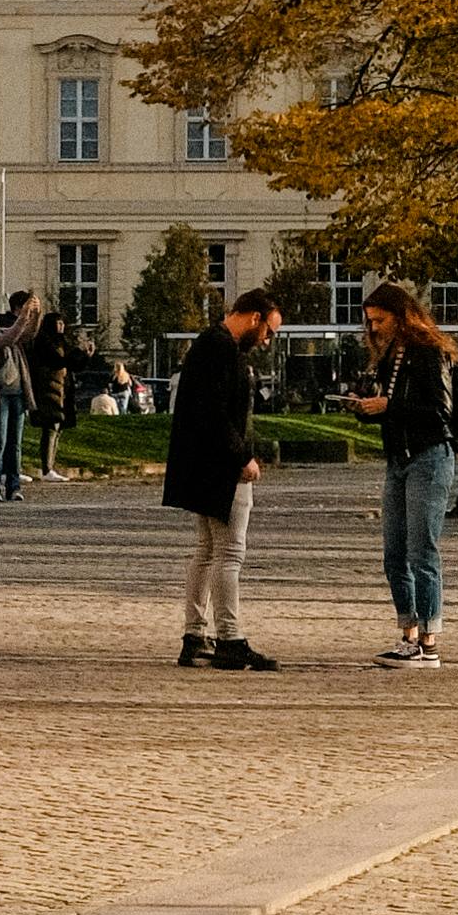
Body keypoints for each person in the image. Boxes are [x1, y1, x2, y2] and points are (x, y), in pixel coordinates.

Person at [349, 282, 458, 665]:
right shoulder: (390, 357)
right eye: (370, 321)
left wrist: (389, 406)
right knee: (393, 554)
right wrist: (368, 409)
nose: (374, 328)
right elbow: (396, 409)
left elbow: (439, 412)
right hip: (399, 459)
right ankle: (408, 634)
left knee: (421, 551)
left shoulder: (429, 354)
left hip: (429, 458)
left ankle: (429, 640)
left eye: (380, 320)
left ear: (401, 317)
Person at [163, 282, 284, 668]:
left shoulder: (208, 344)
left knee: (206, 551)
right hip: (220, 466)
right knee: (229, 552)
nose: (266, 341)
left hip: (201, 463)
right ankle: (229, 637)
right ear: (254, 318)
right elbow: (216, 414)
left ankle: (195, 633)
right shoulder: (222, 350)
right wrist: (242, 457)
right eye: (269, 331)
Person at [0, 289, 35, 501]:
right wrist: (25, 315)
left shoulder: (7, 332)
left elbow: (28, 333)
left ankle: (14, 486)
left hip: (18, 393)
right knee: (0, 441)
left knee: (16, 443)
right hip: (0, 394)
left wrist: (35, 314)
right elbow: (11, 335)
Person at [23, 298, 79, 483]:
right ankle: (47, 468)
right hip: (48, 389)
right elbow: (58, 360)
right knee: (51, 427)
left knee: (57, 427)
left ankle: (50, 466)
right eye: (59, 322)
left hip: (61, 388)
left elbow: (71, 362)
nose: (62, 326)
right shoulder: (45, 342)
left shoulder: (61, 341)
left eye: (63, 322)